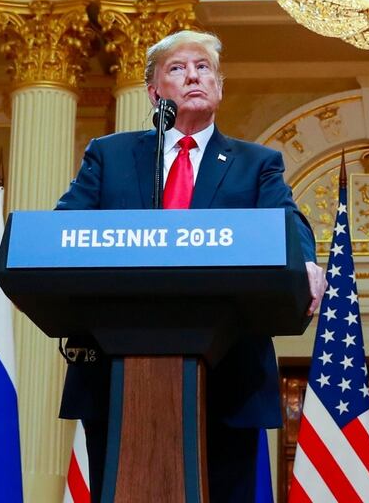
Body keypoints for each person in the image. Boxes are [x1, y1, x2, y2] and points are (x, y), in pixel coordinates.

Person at [56, 30, 326, 502]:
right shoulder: (110, 155)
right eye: (177, 68)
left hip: (228, 377)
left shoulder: (256, 163)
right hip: (116, 375)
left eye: (203, 67)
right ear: (153, 91)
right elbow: (63, 233)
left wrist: (305, 261)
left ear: (219, 86)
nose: (193, 76)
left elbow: (286, 219)